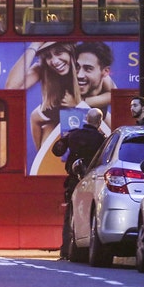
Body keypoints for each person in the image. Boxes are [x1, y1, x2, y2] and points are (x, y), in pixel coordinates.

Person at [51, 107, 106, 260]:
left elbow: (57, 151)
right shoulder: (102, 139)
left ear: (86, 119)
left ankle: (66, 251)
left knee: (71, 214)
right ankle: (86, 248)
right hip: (93, 181)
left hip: (75, 180)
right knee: (91, 214)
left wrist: (67, 139)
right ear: (99, 121)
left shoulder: (74, 135)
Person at [6, 41, 81, 150]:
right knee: (46, 131)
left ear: (70, 50)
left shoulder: (84, 64)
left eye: (59, 53)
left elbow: (111, 94)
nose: (54, 61)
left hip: (85, 119)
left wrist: (78, 103)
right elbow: (11, 87)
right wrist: (34, 46)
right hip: (55, 120)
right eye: (48, 56)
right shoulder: (42, 69)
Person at [75, 42, 118, 129]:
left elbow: (114, 96)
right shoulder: (65, 78)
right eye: (77, 67)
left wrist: (84, 102)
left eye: (88, 69)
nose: (79, 75)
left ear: (105, 71)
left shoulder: (105, 80)